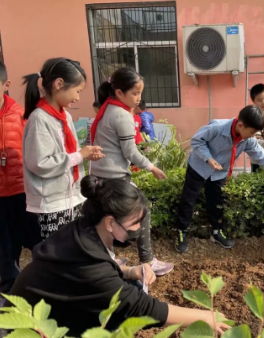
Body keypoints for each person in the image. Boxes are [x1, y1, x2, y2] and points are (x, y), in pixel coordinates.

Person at [7, 176, 230, 337]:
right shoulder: (91, 265)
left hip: (44, 309)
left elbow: (87, 272)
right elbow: (144, 308)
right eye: (135, 223)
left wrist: (128, 271)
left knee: (129, 285)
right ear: (110, 223)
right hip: (24, 329)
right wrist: (208, 318)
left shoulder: (83, 229)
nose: (139, 228)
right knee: (119, 314)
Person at [175, 105, 264, 253]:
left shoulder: (247, 140)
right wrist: (209, 159)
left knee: (217, 202)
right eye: (252, 132)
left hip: (219, 172)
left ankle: (216, 232)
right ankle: (181, 231)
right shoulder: (217, 127)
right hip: (199, 167)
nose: (253, 136)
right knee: (189, 199)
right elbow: (196, 141)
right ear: (240, 125)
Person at [90, 67, 173, 276]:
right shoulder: (121, 115)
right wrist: (152, 167)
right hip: (114, 177)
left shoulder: (108, 108)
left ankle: (109, 258)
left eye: (140, 93)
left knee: (104, 219)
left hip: (100, 174)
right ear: (119, 93)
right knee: (142, 210)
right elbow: (130, 151)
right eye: (135, 93)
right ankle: (148, 260)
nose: (139, 98)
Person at [22, 58, 104, 241]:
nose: (78, 97)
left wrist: (86, 155)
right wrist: (79, 155)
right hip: (52, 203)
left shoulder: (64, 116)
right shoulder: (39, 119)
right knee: (59, 257)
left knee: (75, 250)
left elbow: (69, 153)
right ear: (59, 84)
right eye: (77, 91)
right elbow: (39, 163)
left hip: (72, 197)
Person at [0, 62, 40, 297]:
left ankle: (43, 291)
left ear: (6, 85)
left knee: (39, 245)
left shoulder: (22, 115)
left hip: (24, 194)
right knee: (6, 253)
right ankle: (10, 301)